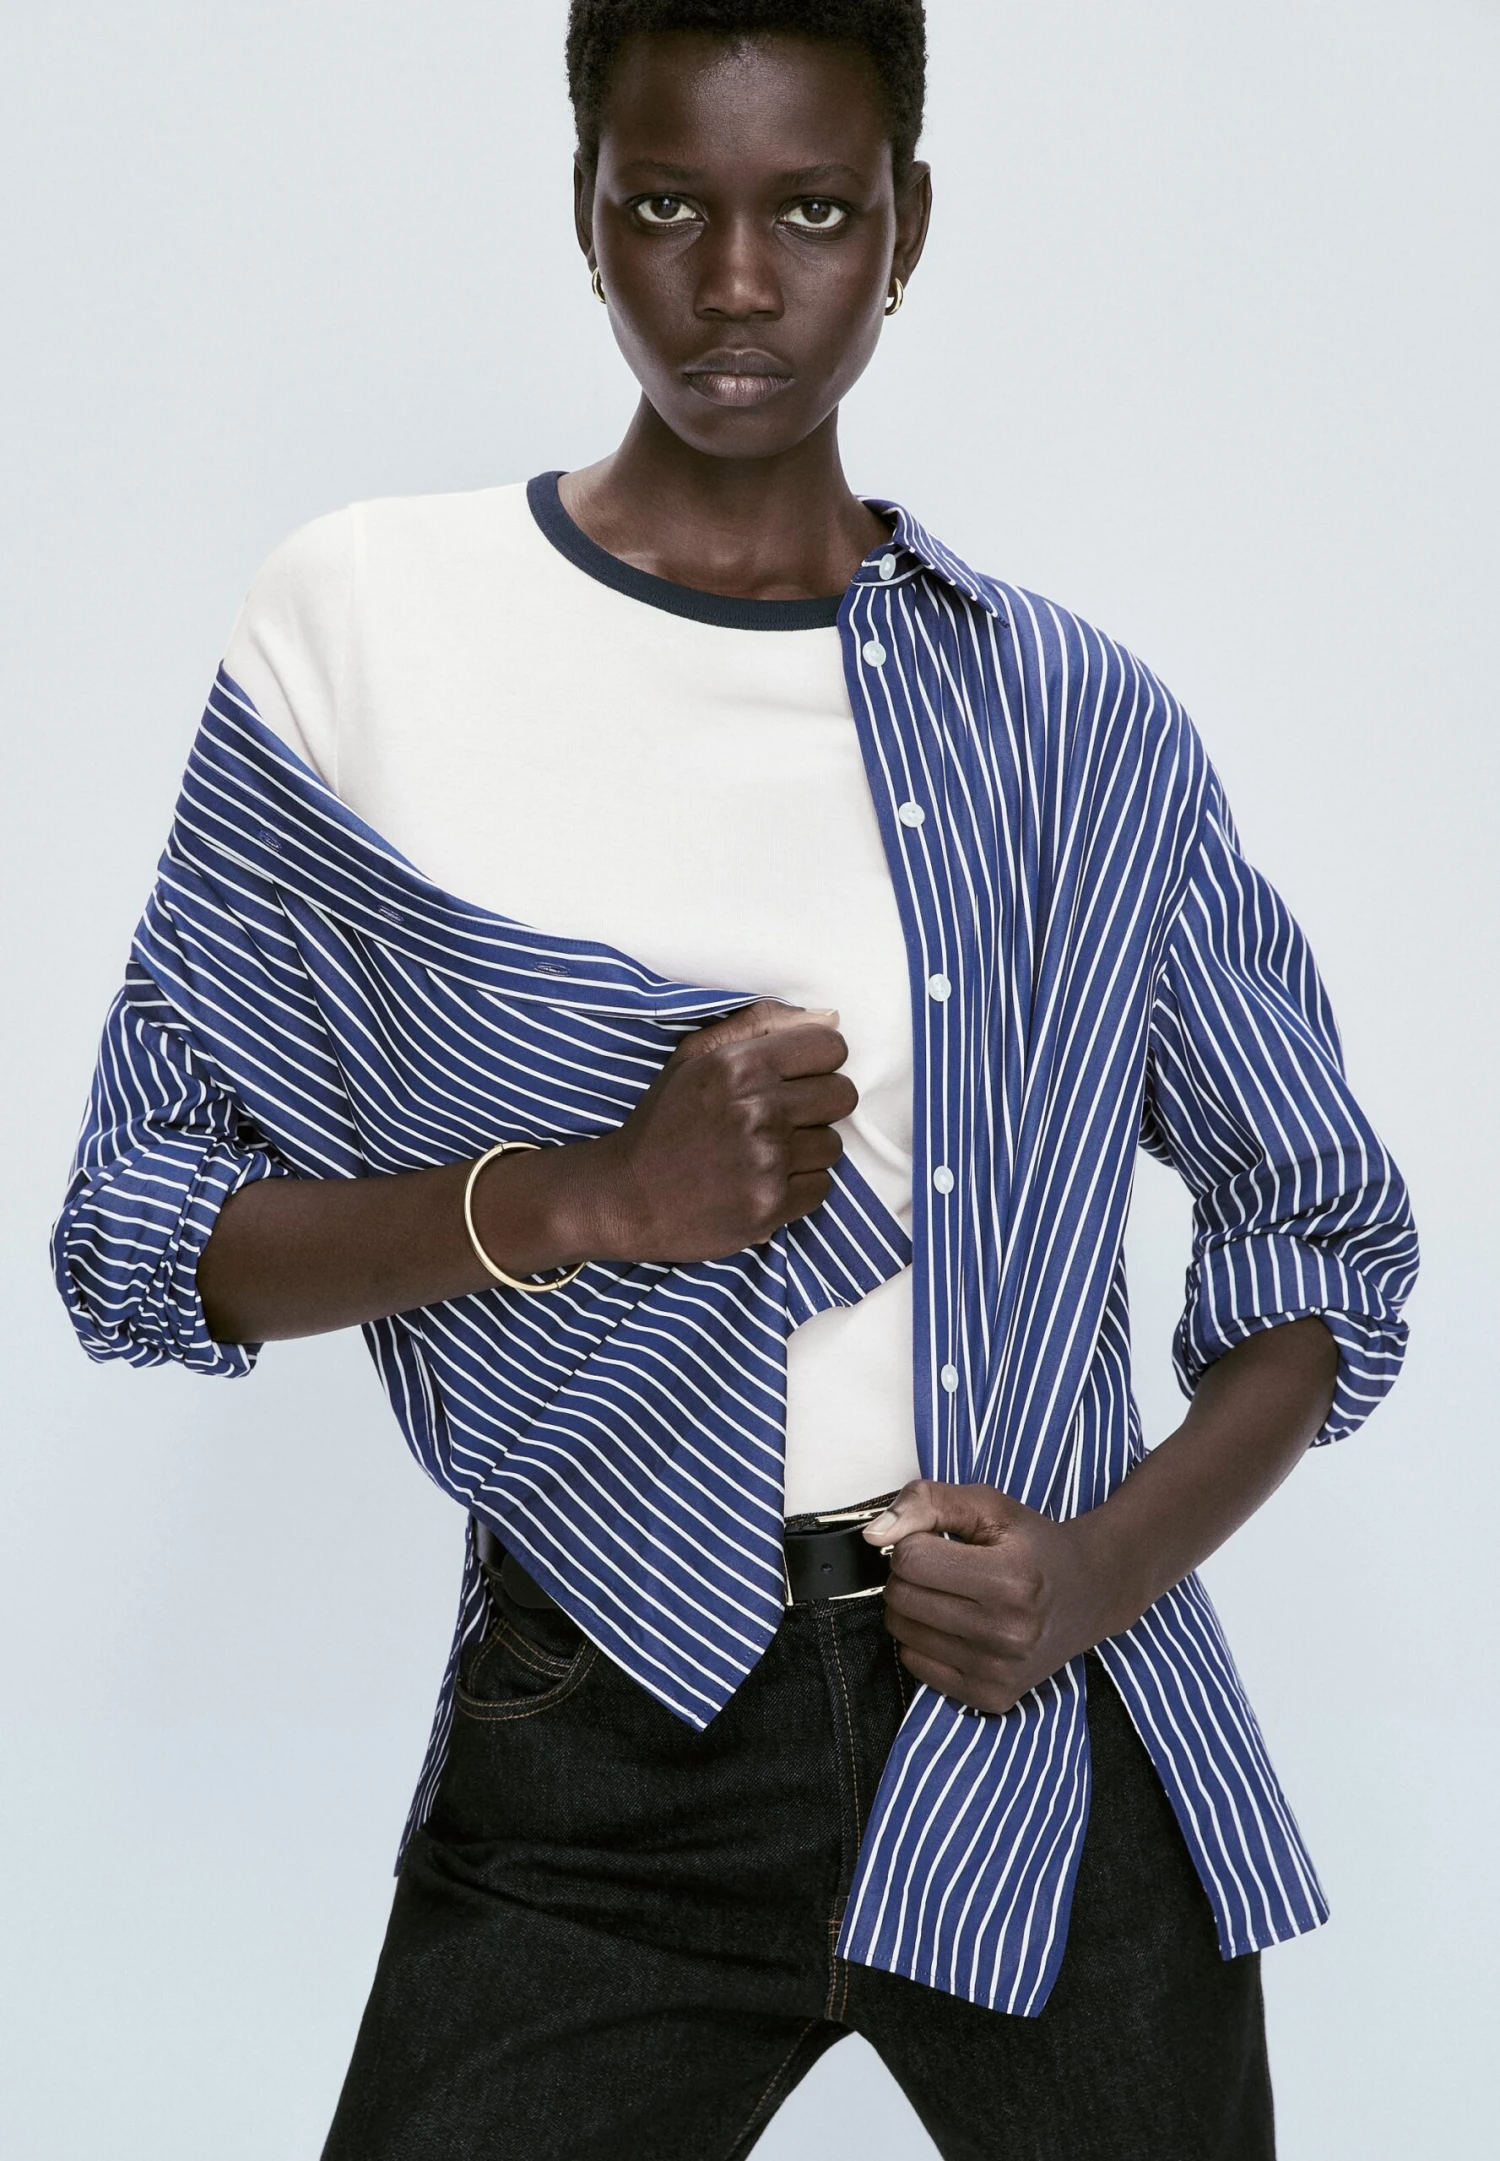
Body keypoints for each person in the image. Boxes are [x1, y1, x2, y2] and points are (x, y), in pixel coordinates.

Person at [52, 4, 1418, 2155]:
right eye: (670, 206)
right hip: (601, 1726)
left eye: (818, 212)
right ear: (584, 211)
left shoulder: (1076, 723)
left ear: (909, 225)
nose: (742, 284)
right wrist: (594, 1195)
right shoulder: (364, 627)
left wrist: (1096, 1575)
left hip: (1029, 1710)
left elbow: (1319, 1242)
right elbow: (138, 1235)